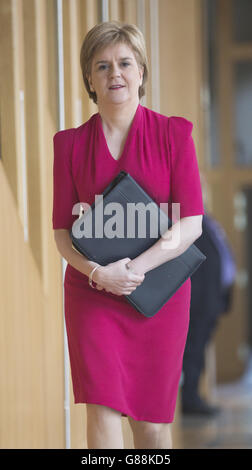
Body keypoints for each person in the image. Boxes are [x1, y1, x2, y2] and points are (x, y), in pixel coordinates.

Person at [52, 21, 204, 449]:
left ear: (140, 72)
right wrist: (101, 273)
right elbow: (63, 234)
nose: (113, 74)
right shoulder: (68, 145)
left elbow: (191, 222)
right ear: (89, 79)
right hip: (92, 292)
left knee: (151, 423)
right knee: (101, 407)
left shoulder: (175, 134)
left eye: (123, 63)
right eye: (102, 66)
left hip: (160, 294)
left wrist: (133, 269)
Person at [182, 175, 236, 416]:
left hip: (211, 302)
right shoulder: (190, 226)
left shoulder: (207, 222)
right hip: (198, 304)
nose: (200, 191)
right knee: (192, 353)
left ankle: (195, 396)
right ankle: (190, 400)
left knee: (200, 351)